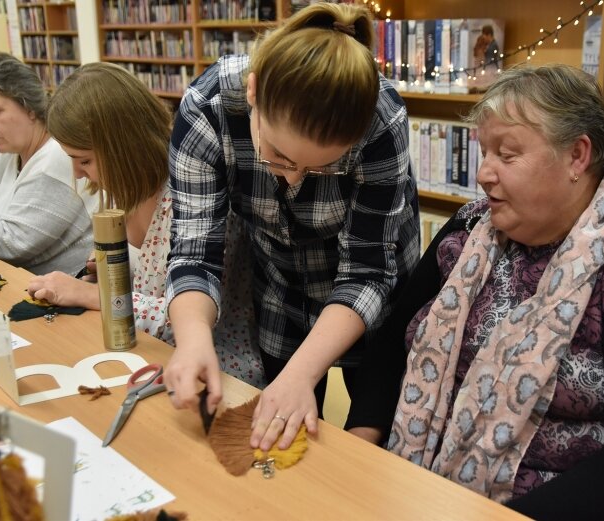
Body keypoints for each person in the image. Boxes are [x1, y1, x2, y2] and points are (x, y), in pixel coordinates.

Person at [345, 63, 604, 520]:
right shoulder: (471, 227)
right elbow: (392, 343)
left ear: (578, 156)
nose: (483, 174)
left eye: (508, 154)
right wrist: (356, 458)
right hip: (420, 490)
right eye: (485, 152)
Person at [164, 1, 420, 453]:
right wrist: (193, 339)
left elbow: (366, 273)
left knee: (374, 436)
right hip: (281, 288)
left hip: (371, 302)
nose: (294, 178)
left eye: (320, 169)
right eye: (278, 158)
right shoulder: (206, 109)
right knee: (287, 439)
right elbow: (193, 251)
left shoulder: (380, 120)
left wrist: (303, 373)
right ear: (254, 93)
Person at [26, 62, 264, 387]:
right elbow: (150, 282)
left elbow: (182, 313)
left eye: (85, 160)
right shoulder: (123, 192)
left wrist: (94, 296)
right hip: (144, 357)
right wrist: (114, 276)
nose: (79, 175)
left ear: (123, 150)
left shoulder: (195, 194)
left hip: (214, 373)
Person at [0, 52, 96, 275]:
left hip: (63, 295)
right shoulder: (10, 151)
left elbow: (10, 243)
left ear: (29, 107)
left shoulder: (57, 155)